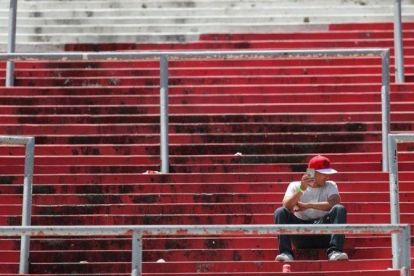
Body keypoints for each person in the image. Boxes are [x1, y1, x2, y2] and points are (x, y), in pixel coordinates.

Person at [274, 155, 348, 261]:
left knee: (339, 209)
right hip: (302, 234)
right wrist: (301, 189)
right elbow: (286, 206)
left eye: (328, 174)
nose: (327, 177)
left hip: (323, 233)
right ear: (312, 172)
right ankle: (286, 253)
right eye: (324, 174)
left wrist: (308, 205)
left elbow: (335, 203)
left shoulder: (330, 185)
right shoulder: (295, 186)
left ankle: (335, 251)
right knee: (280, 212)